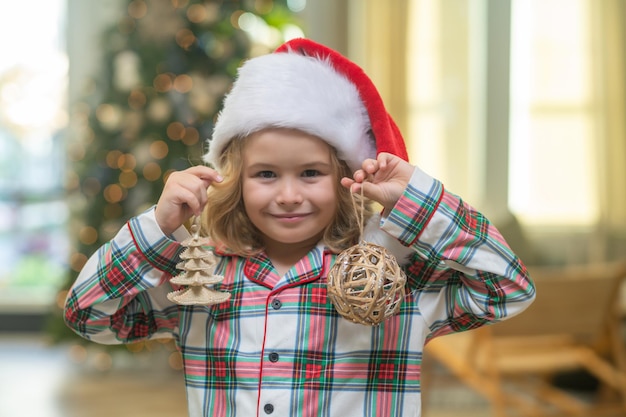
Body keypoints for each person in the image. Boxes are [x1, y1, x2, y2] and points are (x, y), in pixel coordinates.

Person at [64, 38, 535, 417]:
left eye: (310, 173)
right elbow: (89, 315)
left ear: (344, 179)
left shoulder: (397, 279)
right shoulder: (200, 279)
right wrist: (156, 226)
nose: (289, 194)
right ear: (236, 181)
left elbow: (508, 288)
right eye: (266, 174)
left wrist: (419, 199)